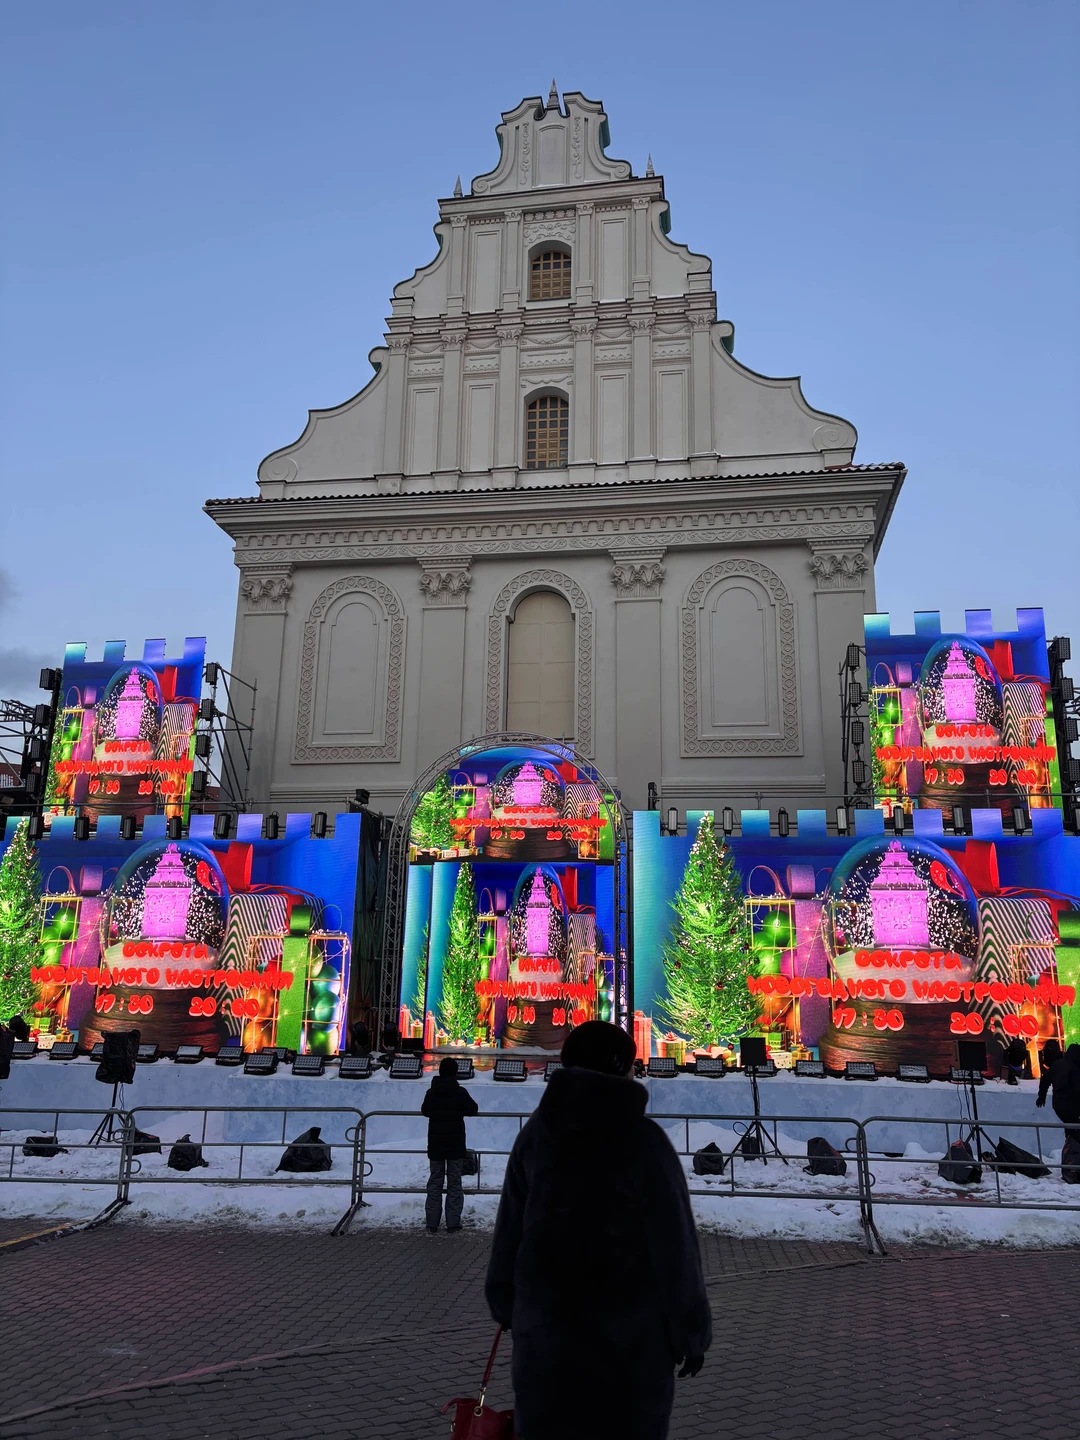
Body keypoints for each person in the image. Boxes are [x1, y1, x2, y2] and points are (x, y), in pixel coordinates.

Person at [485, 1021, 711, 1440]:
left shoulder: (536, 1135)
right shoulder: (645, 1142)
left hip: (547, 1345)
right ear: (621, 1067)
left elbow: (510, 1230)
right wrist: (690, 1331)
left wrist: (507, 1302)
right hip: (628, 1350)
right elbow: (674, 1247)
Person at [421, 1057, 478, 1232]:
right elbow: (472, 1108)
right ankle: (453, 1223)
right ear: (455, 1073)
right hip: (455, 1144)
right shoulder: (460, 1092)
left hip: (436, 1144)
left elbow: (425, 1110)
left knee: (435, 1182)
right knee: (454, 1182)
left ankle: (432, 1223)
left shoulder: (432, 1092)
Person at [1036, 1041, 1080, 1139]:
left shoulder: (1056, 1065)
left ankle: (1070, 1144)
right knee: (1074, 1130)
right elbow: (1077, 1089)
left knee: (1070, 1128)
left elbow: (1045, 1081)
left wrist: (1041, 1096)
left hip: (1058, 1105)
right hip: (1072, 1105)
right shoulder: (1075, 1068)